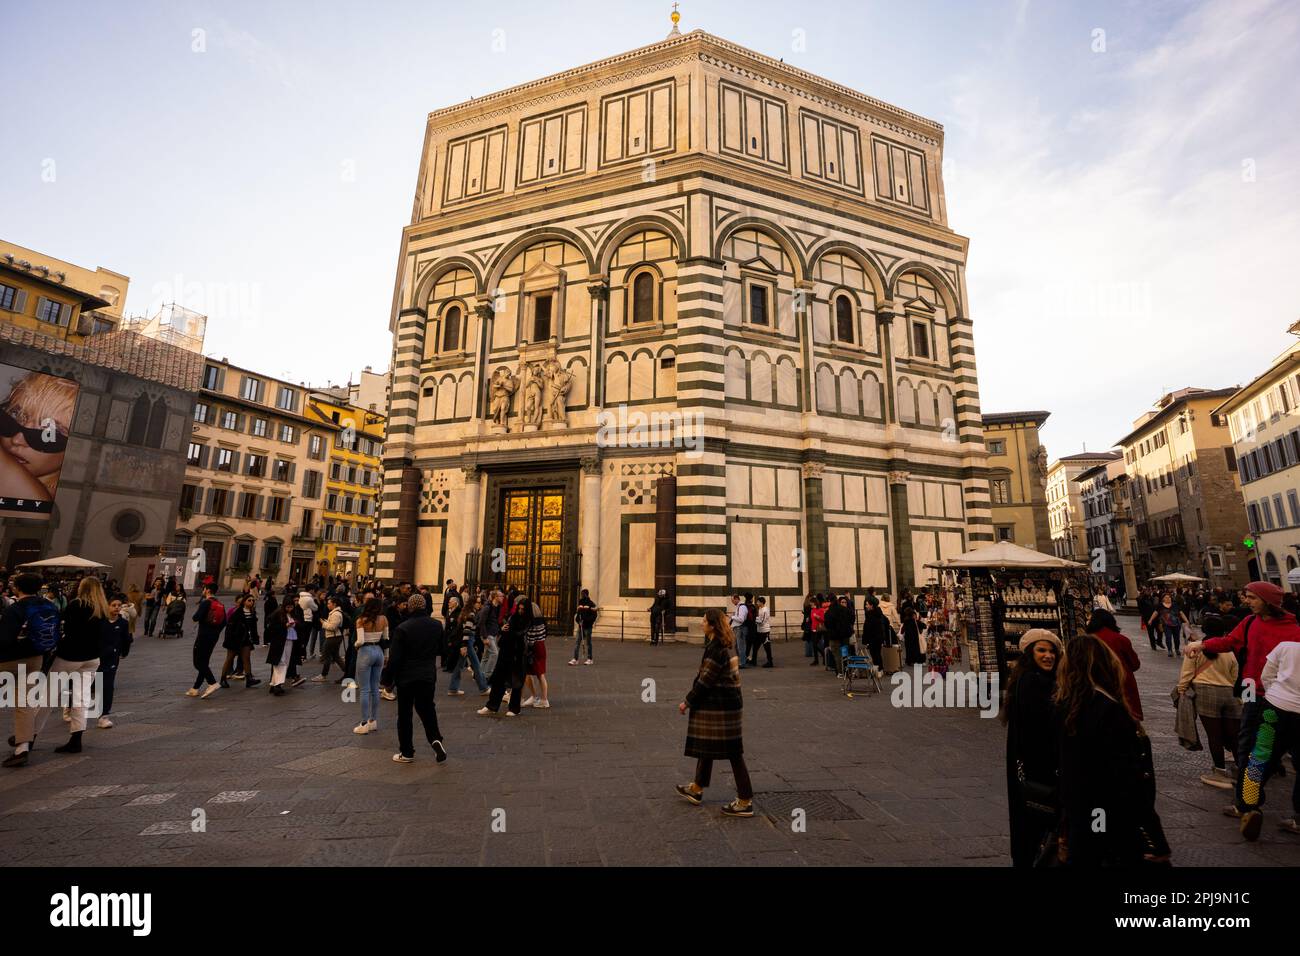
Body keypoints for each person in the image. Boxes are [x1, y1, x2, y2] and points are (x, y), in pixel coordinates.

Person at [1187, 581, 1300, 828]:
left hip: (1276, 699)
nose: (1246, 601)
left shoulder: (1294, 630)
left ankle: (1248, 804)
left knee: (1259, 752)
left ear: (1267, 601)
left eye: (1251, 597)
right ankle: (1246, 804)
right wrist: (1202, 645)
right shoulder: (1250, 622)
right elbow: (1228, 642)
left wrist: (1272, 689)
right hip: (1252, 692)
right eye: (1246, 596)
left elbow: (1272, 671)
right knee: (1247, 742)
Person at [1057, 634, 1170, 866]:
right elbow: (1128, 776)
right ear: (1107, 664)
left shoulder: (1064, 705)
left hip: (1081, 812)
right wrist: (1153, 833)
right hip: (1112, 814)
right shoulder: (1108, 710)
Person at [675, 607, 754, 817]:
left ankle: (745, 800)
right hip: (727, 703)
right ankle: (697, 788)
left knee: (734, 753)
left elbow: (705, 681)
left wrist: (687, 701)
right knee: (706, 743)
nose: (701, 623)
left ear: (712, 625)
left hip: (721, 706)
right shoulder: (725, 644)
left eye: (703, 621)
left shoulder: (717, 648)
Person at [1002, 629, 1061, 867]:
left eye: (1051, 651)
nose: (1048, 656)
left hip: (1027, 768)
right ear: (1029, 654)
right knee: (1039, 825)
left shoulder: (1025, 678)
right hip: (1038, 769)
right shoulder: (1034, 682)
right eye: (1041, 650)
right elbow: (1040, 729)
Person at [37, 576, 108, 755]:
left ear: (81, 588)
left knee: (48, 696)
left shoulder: (77, 605)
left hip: (71, 656)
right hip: (92, 659)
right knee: (81, 699)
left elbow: (66, 630)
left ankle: (28, 737)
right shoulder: (102, 608)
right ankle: (76, 740)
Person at [1238, 638, 1300, 839]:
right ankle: (1298, 818)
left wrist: (1276, 692)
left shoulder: (1286, 646)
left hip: (1274, 710)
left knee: (1260, 756)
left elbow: (1266, 675)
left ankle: (1250, 806)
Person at [1175, 614, 1240, 790]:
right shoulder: (1229, 651)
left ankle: (1219, 772)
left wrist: (1181, 690)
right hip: (1229, 693)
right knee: (1234, 735)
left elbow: (1187, 672)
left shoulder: (1195, 648)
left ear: (1204, 630)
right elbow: (1235, 674)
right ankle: (1242, 769)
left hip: (1205, 691)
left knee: (1214, 735)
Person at [0, 572, 58, 767]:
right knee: (25, 702)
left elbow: (5, 639)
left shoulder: (16, 608)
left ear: (17, 588)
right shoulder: (49, 606)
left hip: (9, 660)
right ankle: (22, 747)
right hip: (36, 658)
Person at [388, 592, 448, 763]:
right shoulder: (436, 625)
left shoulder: (403, 628)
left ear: (410, 607)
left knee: (405, 714)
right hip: (427, 675)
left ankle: (407, 752)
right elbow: (443, 650)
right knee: (427, 709)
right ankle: (435, 740)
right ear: (424, 606)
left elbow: (395, 658)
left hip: (406, 677)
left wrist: (387, 679)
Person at [1084, 609, 1142, 720]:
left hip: (1096, 684)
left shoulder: (1087, 640)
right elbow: (1135, 664)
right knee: (1126, 716)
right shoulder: (1121, 639)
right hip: (1122, 682)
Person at [479, 596, 529, 717]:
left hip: (518, 655)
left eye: (523, 609)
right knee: (498, 680)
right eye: (519, 608)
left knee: (516, 682)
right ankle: (492, 705)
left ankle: (514, 708)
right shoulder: (513, 617)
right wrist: (503, 630)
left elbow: (522, 635)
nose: (520, 611)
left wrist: (510, 632)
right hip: (506, 653)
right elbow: (506, 633)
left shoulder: (527, 621)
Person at [94, 594, 134, 729]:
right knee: (87, 686)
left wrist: (124, 652)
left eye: (119, 606)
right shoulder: (100, 621)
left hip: (112, 659)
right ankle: (70, 707)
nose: (117, 608)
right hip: (95, 658)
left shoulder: (123, 623)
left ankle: (104, 715)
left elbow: (126, 639)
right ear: (107, 606)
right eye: (114, 605)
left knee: (107, 686)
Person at [353, 598, 389, 735]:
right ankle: (373, 720)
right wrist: (386, 655)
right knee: (375, 688)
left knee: (364, 689)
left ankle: (363, 723)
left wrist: (355, 645)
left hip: (365, 651)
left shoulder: (361, 620)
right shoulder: (384, 619)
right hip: (379, 652)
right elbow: (386, 639)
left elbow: (360, 640)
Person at [188, 584, 226, 699]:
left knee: (198, 662)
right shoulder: (220, 604)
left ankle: (212, 682)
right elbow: (224, 622)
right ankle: (195, 688)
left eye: (204, 589)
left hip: (203, 635)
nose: (203, 590)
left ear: (208, 590)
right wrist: (216, 631)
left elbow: (196, 617)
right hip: (214, 636)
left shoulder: (206, 602)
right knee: (204, 662)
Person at [219, 594, 262, 689]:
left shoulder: (252, 612)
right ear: (244, 602)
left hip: (246, 639)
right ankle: (222, 679)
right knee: (229, 658)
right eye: (249, 600)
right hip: (235, 639)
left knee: (246, 658)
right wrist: (229, 640)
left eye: (252, 600)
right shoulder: (237, 613)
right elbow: (230, 628)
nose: (251, 602)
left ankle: (249, 679)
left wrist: (255, 638)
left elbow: (253, 627)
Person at [448, 599, 489, 696]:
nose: (479, 604)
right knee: (476, 665)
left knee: (459, 665)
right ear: (472, 603)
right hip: (467, 641)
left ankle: (453, 688)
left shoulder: (466, 613)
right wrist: (464, 646)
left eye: (480, 602)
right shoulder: (471, 614)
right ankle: (483, 688)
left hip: (466, 641)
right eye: (478, 602)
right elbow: (467, 630)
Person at [264, 597, 296, 696]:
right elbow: (272, 627)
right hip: (279, 642)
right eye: (288, 607)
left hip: (289, 640)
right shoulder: (278, 614)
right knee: (280, 662)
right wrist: (285, 626)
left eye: (291, 607)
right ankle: (277, 684)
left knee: (284, 662)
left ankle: (274, 684)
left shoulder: (291, 614)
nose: (290, 609)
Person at [521, 598, 550, 709]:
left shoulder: (532, 623)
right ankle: (538, 697)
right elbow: (545, 634)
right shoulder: (542, 621)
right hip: (541, 646)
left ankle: (543, 699)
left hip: (534, 648)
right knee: (538, 673)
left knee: (538, 674)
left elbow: (530, 640)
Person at [313, 596, 346, 682]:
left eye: (329, 603)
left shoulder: (336, 614)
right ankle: (347, 672)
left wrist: (323, 623)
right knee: (336, 656)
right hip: (334, 637)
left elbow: (332, 627)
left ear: (334, 604)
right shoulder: (334, 613)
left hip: (333, 637)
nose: (327, 605)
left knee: (326, 656)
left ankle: (323, 675)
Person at [572, 589, 597, 664]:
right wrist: (578, 621)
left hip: (588, 627)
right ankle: (575, 659)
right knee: (577, 642)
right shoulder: (580, 603)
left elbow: (594, 616)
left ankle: (590, 658)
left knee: (588, 643)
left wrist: (586, 621)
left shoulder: (591, 604)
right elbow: (578, 614)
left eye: (583, 594)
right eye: (581, 594)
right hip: (581, 626)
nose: (581, 595)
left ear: (586, 594)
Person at [729, 595, 749, 670]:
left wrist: (732, 617)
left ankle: (742, 663)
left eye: (733, 600)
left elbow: (741, 619)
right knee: (736, 646)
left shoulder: (742, 607)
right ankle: (739, 661)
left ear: (737, 599)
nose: (732, 602)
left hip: (740, 628)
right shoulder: (739, 606)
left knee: (741, 647)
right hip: (737, 628)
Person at [754, 596, 773, 667]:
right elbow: (759, 618)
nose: (757, 603)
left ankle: (770, 662)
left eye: (758, 602)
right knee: (755, 646)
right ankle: (753, 660)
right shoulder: (760, 609)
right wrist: (756, 619)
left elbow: (762, 621)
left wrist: (754, 620)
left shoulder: (765, 610)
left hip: (765, 631)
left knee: (767, 647)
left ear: (761, 602)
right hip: (759, 631)